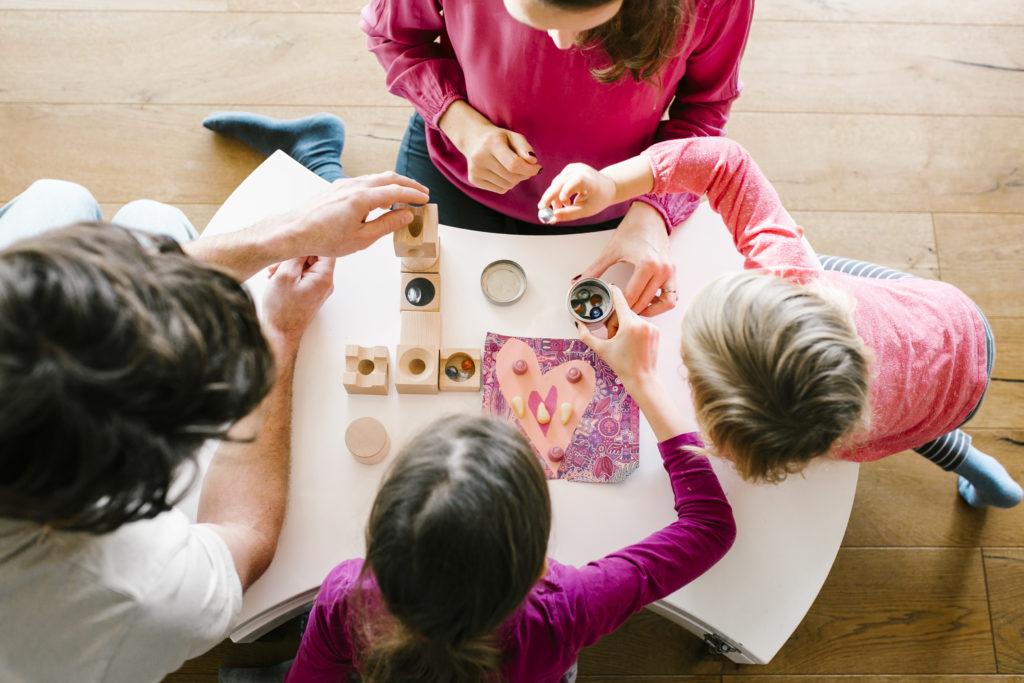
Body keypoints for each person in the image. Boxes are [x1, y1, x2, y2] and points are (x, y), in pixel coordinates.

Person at [0, 172, 429, 682]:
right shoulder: (137, 595)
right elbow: (243, 532)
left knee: (67, 200)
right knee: (149, 221)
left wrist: (290, 233)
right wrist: (279, 332)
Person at [537, 136, 1023, 509]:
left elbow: (688, 450)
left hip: (920, 405)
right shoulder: (797, 274)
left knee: (927, 432)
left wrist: (640, 379)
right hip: (953, 324)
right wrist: (612, 185)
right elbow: (723, 161)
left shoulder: (760, 438)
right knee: (923, 412)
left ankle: (987, 475)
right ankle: (989, 480)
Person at [206, 0, 753, 318]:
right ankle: (319, 156)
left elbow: (705, 107)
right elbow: (393, 36)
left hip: (618, 210)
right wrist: (460, 124)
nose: (564, 43)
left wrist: (655, 211)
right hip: (455, 159)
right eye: (535, 16)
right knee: (367, 278)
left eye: (591, 18)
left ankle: (318, 152)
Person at [283, 304, 736, 681]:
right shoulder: (565, 609)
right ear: (540, 565)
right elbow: (710, 527)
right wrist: (643, 380)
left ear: (378, 537)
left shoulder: (347, 597)